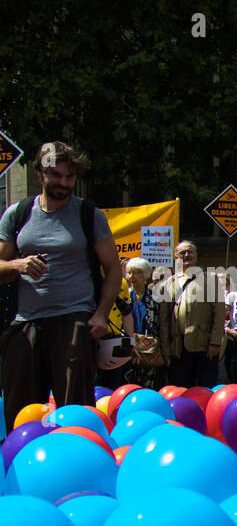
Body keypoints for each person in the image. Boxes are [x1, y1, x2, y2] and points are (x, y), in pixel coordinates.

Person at [0, 141, 121, 431]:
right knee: (23, 413)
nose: (64, 183)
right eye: (56, 175)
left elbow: (114, 268)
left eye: (70, 177)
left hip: (74, 321)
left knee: (75, 411)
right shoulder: (17, 214)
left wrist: (101, 313)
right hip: (25, 323)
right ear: (41, 173)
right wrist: (17, 265)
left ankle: (78, 467)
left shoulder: (89, 214)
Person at [159, 240, 222, 388]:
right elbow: (164, 319)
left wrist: (215, 343)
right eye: (182, 253)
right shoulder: (169, 283)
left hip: (205, 348)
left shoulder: (210, 280)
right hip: (178, 349)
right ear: (176, 257)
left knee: (205, 390)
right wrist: (166, 349)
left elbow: (219, 313)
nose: (186, 255)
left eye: (190, 251)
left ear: (196, 255)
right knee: (182, 391)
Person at [120, 257, 173, 391]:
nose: (132, 276)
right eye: (130, 272)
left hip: (150, 351)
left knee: (149, 387)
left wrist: (165, 350)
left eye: (137, 272)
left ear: (145, 275)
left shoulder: (155, 298)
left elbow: (163, 325)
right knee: (127, 387)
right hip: (129, 350)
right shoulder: (124, 297)